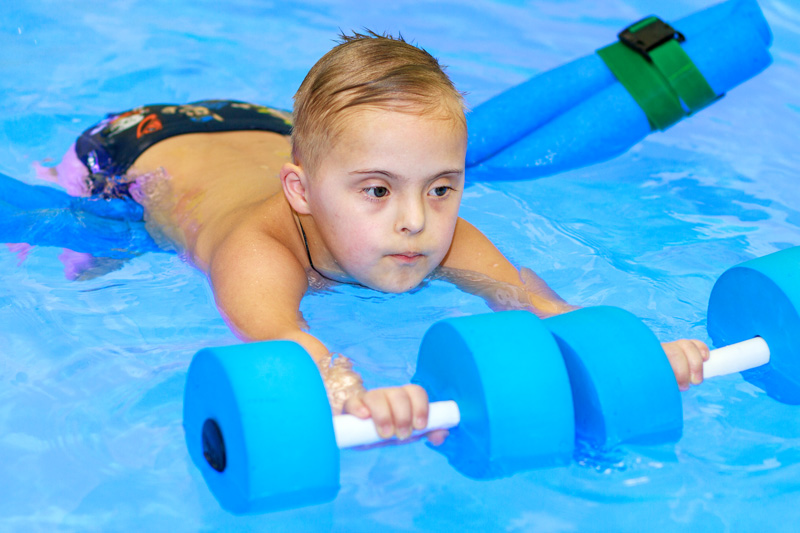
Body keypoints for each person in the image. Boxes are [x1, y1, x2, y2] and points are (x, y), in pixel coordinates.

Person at [36, 32, 709, 444]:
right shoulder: (256, 251)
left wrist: (638, 356)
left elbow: (542, 306)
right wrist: (357, 398)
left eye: (440, 187)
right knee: (89, 259)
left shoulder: (440, 235)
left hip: (266, 122)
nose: (415, 220)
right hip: (134, 149)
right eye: (379, 192)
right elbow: (289, 342)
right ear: (301, 192)